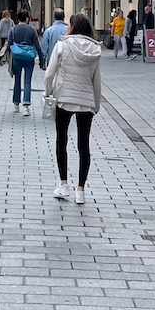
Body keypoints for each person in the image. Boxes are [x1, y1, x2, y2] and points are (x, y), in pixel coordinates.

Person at [45, 13, 101, 205]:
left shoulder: (62, 45)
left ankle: (63, 184)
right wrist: (96, 104)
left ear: (73, 27)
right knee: (84, 145)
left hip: (64, 99)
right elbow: (96, 80)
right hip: (86, 100)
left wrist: (48, 92)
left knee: (62, 140)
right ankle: (81, 190)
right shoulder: (95, 49)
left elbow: (49, 74)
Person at [6, 9, 43, 117]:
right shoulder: (31, 29)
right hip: (29, 57)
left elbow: (9, 44)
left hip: (17, 57)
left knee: (17, 79)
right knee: (27, 81)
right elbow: (37, 45)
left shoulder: (13, 29)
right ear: (27, 18)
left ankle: (16, 103)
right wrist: (41, 60)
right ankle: (26, 106)